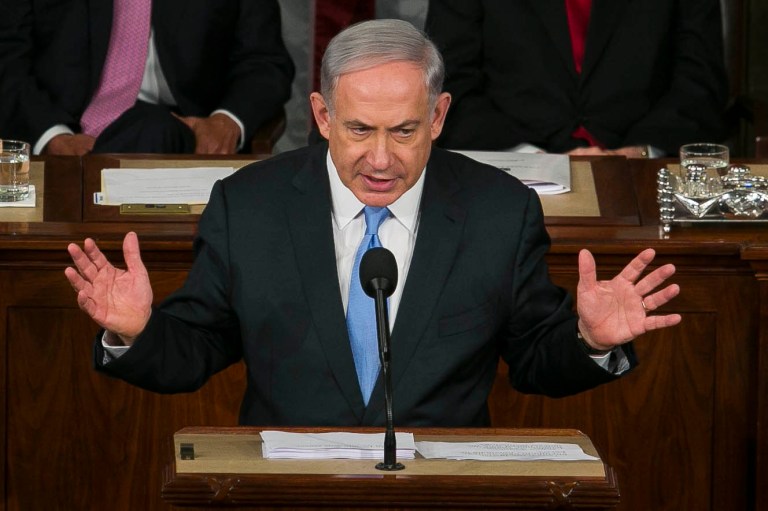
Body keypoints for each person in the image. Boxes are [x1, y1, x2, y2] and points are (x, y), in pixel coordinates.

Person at [64, 19, 681, 427]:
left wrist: (591, 341)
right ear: (322, 115)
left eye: (405, 131)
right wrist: (138, 331)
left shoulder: (499, 211)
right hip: (285, 489)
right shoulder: (249, 205)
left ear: (438, 117)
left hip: (441, 493)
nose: (381, 159)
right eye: (359, 129)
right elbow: (196, 350)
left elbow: (534, 360)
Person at [425, 0, 729, 158]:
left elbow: (700, 81)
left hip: (645, 169)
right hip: (508, 169)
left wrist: (641, 150)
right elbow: (449, 84)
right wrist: (534, 158)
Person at [0, 0, 294, 155]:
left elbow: (264, 61)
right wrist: (53, 137)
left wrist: (225, 121)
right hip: (63, 137)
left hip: (185, 134)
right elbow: (8, 63)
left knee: (152, 128)